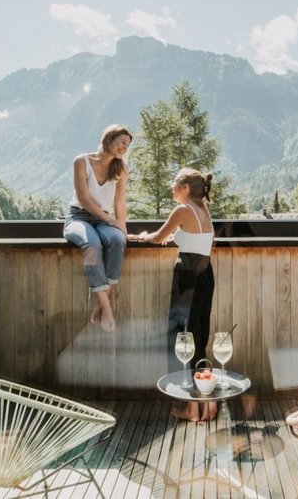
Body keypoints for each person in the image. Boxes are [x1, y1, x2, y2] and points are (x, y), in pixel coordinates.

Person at [128, 168, 215, 421]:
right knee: (199, 334)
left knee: (182, 338)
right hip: (206, 275)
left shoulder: (182, 210)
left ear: (185, 187)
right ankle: (207, 404)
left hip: (187, 275)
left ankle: (191, 408)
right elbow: (202, 240)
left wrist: (143, 236)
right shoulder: (203, 209)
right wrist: (178, 238)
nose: (171, 187)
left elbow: (157, 237)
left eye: (175, 183)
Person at [63, 124, 131, 332]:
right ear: (108, 139)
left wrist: (123, 228)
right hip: (79, 217)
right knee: (92, 245)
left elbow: (119, 202)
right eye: (121, 142)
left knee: (118, 241)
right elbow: (84, 199)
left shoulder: (121, 168)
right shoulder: (81, 161)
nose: (124, 148)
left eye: (127, 145)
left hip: (104, 220)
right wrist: (109, 221)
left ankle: (99, 303)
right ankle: (107, 308)